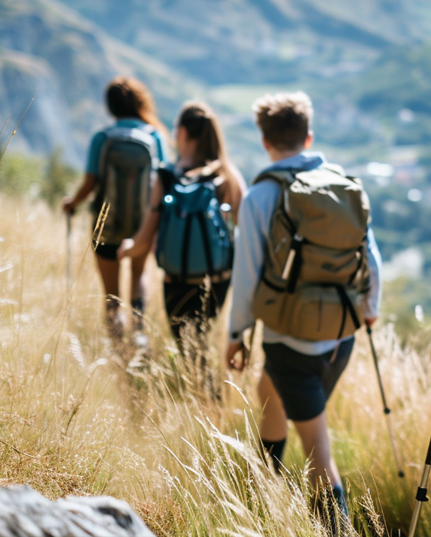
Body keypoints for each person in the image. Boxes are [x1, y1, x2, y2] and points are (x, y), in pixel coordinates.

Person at [225, 92, 381, 519]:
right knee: (267, 391)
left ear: (265, 141)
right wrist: (370, 306)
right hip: (341, 336)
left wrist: (236, 335)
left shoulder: (260, 197)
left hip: (289, 342)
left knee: (317, 453)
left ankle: (336, 527)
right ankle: (264, 488)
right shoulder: (343, 184)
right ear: (308, 137)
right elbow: (371, 255)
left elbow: (245, 275)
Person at [118, 102, 246, 364]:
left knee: (188, 351)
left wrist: (126, 248)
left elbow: (144, 240)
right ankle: (209, 397)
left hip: (177, 282)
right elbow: (243, 230)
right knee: (201, 341)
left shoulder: (166, 177)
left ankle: (205, 398)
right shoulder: (227, 176)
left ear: (184, 133)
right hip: (218, 280)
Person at [63, 76, 169, 341]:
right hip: (143, 224)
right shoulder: (154, 136)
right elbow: (164, 181)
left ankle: (117, 348)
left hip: (105, 225)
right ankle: (139, 335)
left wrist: (72, 204)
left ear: (110, 106)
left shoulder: (102, 138)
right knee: (138, 274)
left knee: (111, 293)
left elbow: (90, 182)